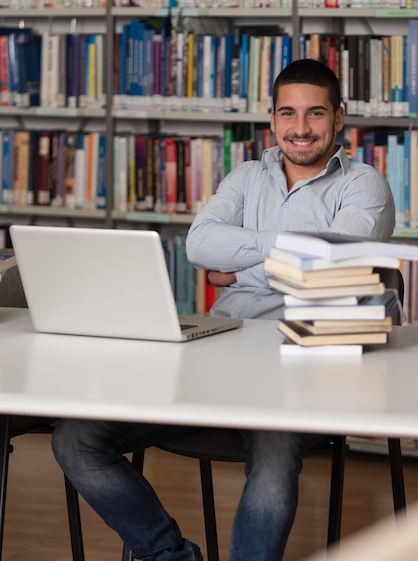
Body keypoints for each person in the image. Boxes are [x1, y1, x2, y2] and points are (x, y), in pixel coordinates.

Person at [52, 59, 395, 561]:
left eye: (316, 114)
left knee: (275, 460)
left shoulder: (365, 185)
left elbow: (335, 262)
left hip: (302, 357)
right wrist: (286, 249)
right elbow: (199, 246)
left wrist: (238, 267)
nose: (301, 129)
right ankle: (169, 556)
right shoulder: (246, 177)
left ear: (339, 118)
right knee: (75, 440)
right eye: (288, 114)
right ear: (272, 121)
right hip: (222, 349)